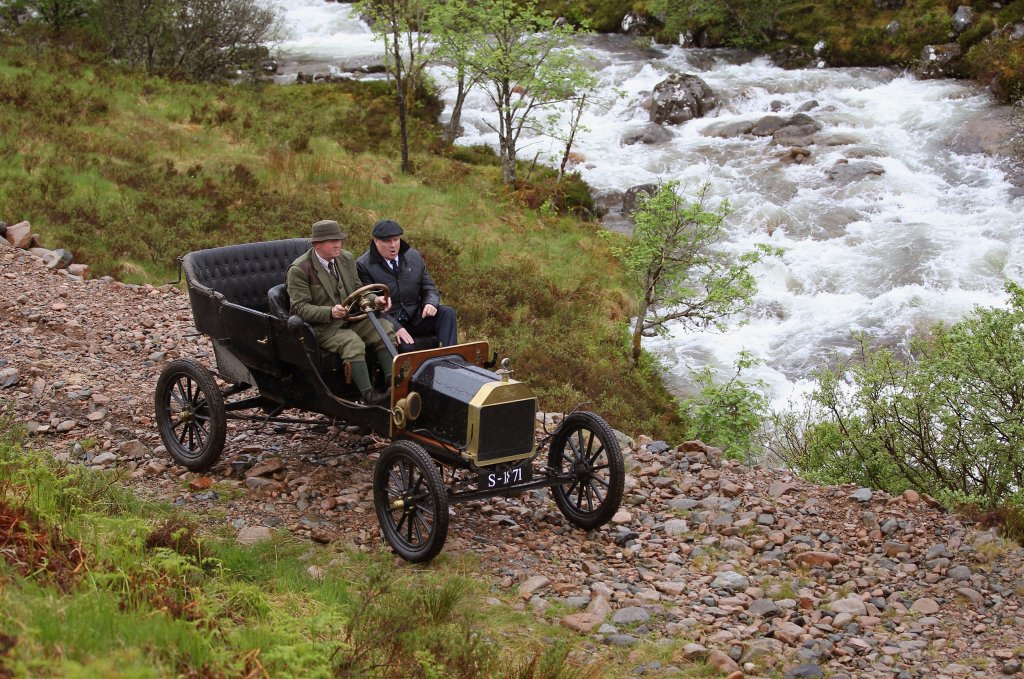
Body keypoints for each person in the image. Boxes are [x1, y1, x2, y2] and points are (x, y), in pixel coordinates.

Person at [286, 219, 395, 405]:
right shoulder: (300, 269)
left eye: (339, 239)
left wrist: (374, 300)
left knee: (384, 328)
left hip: (350, 318)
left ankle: (393, 383)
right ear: (317, 244)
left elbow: (359, 290)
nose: (338, 244)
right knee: (352, 343)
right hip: (322, 328)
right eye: (331, 241)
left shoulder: (346, 258)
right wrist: (329, 312)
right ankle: (369, 396)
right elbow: (299, 308)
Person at [357, 219, 458, 352]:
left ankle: (451, 358)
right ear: (376, 241)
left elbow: (429, 287)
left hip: (417, 317)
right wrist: (396, 327)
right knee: (407, 346)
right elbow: (369, 306)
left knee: (447, 313)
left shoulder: (414, 256)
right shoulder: (363, 265)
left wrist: (430, 303)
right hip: (389, 321)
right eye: (387, 241)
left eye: (396, 239)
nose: (393, 245)